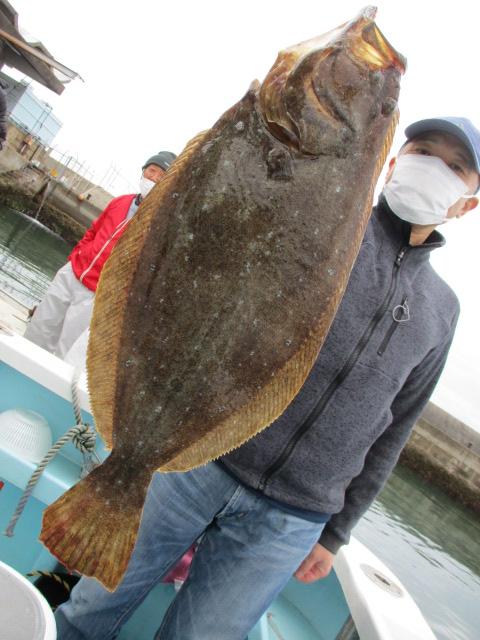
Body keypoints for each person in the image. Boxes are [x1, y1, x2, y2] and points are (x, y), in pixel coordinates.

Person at [55, 117, 479, 640]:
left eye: (456, 167)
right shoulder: (325, 231)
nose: (434, 168)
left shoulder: (443, 310)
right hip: (198, 454)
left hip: (292, 519)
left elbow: (395, 430)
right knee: (90, 608)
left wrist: (336, 533)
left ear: (468, 202)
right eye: (422, 151)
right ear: (392, 163)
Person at [24, 151, 176, 358]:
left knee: (65, 349)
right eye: (152, 171)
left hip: (95, 293)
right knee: (40, 326)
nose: (154, 178)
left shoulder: (158, 223)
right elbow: (93, 231)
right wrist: (76, 256)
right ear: (143, 171)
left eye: (161, 176)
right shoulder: (121, 201)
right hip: (72, 273)